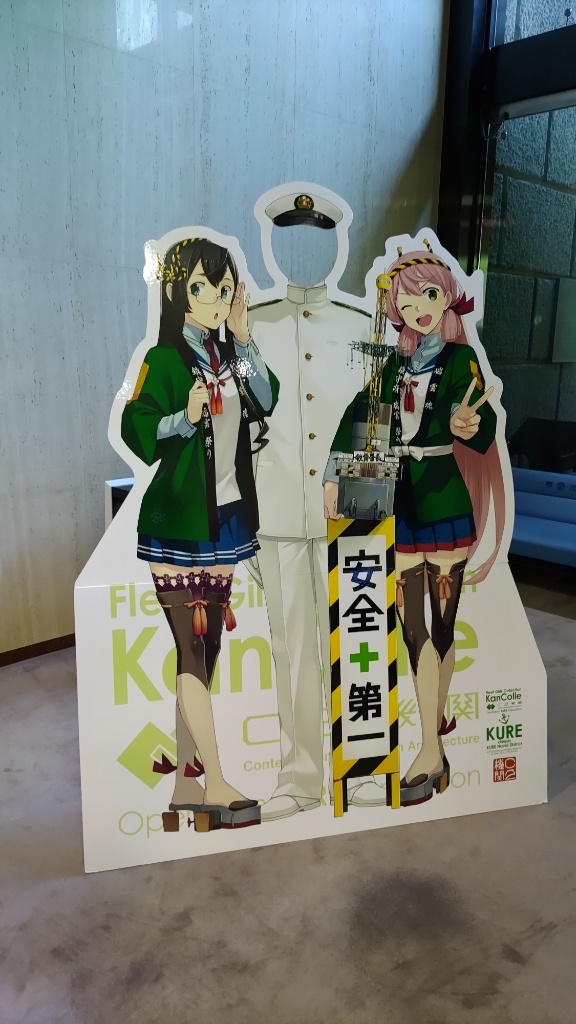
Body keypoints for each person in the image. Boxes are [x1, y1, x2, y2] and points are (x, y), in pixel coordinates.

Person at [324, 245, 504, 806]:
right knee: (413, 630)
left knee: (441, 629)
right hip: (396, 499)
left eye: (428, 295)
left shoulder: (459, 359)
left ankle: (430, 749)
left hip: (444, 501)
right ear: (394, 308)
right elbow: (360, 414)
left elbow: (481, 422)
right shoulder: (391, 365)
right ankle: (433, 749)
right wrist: (334, 474)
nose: (418, 308)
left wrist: (468, 423)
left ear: (446, 297)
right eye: (405, 301)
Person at [121, 237, 279, 830]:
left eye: (224, 287)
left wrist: (244, 337)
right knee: (192, 648)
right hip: (178, 520)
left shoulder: (231, 355)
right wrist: (182, 418)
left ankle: (185, 787)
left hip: (227, 516)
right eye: (201, 287)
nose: (215, 298)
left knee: (205, 652)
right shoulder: (163, 359)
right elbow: (135, 427)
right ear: (176, 292)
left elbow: (266, 399)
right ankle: (214, 781)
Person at [249, 185, 381, 819]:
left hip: (348, 510)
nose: (304, 252)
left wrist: (356, 494)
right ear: (271, 247)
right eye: (290, 239)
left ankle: (362, 771)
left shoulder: (363, 326)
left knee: (358, 641)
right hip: (274, 511)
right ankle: (300, 779)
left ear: (338, 246)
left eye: (318, 239)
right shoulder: (248, 324)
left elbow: (375, 421)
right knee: (293, 650)